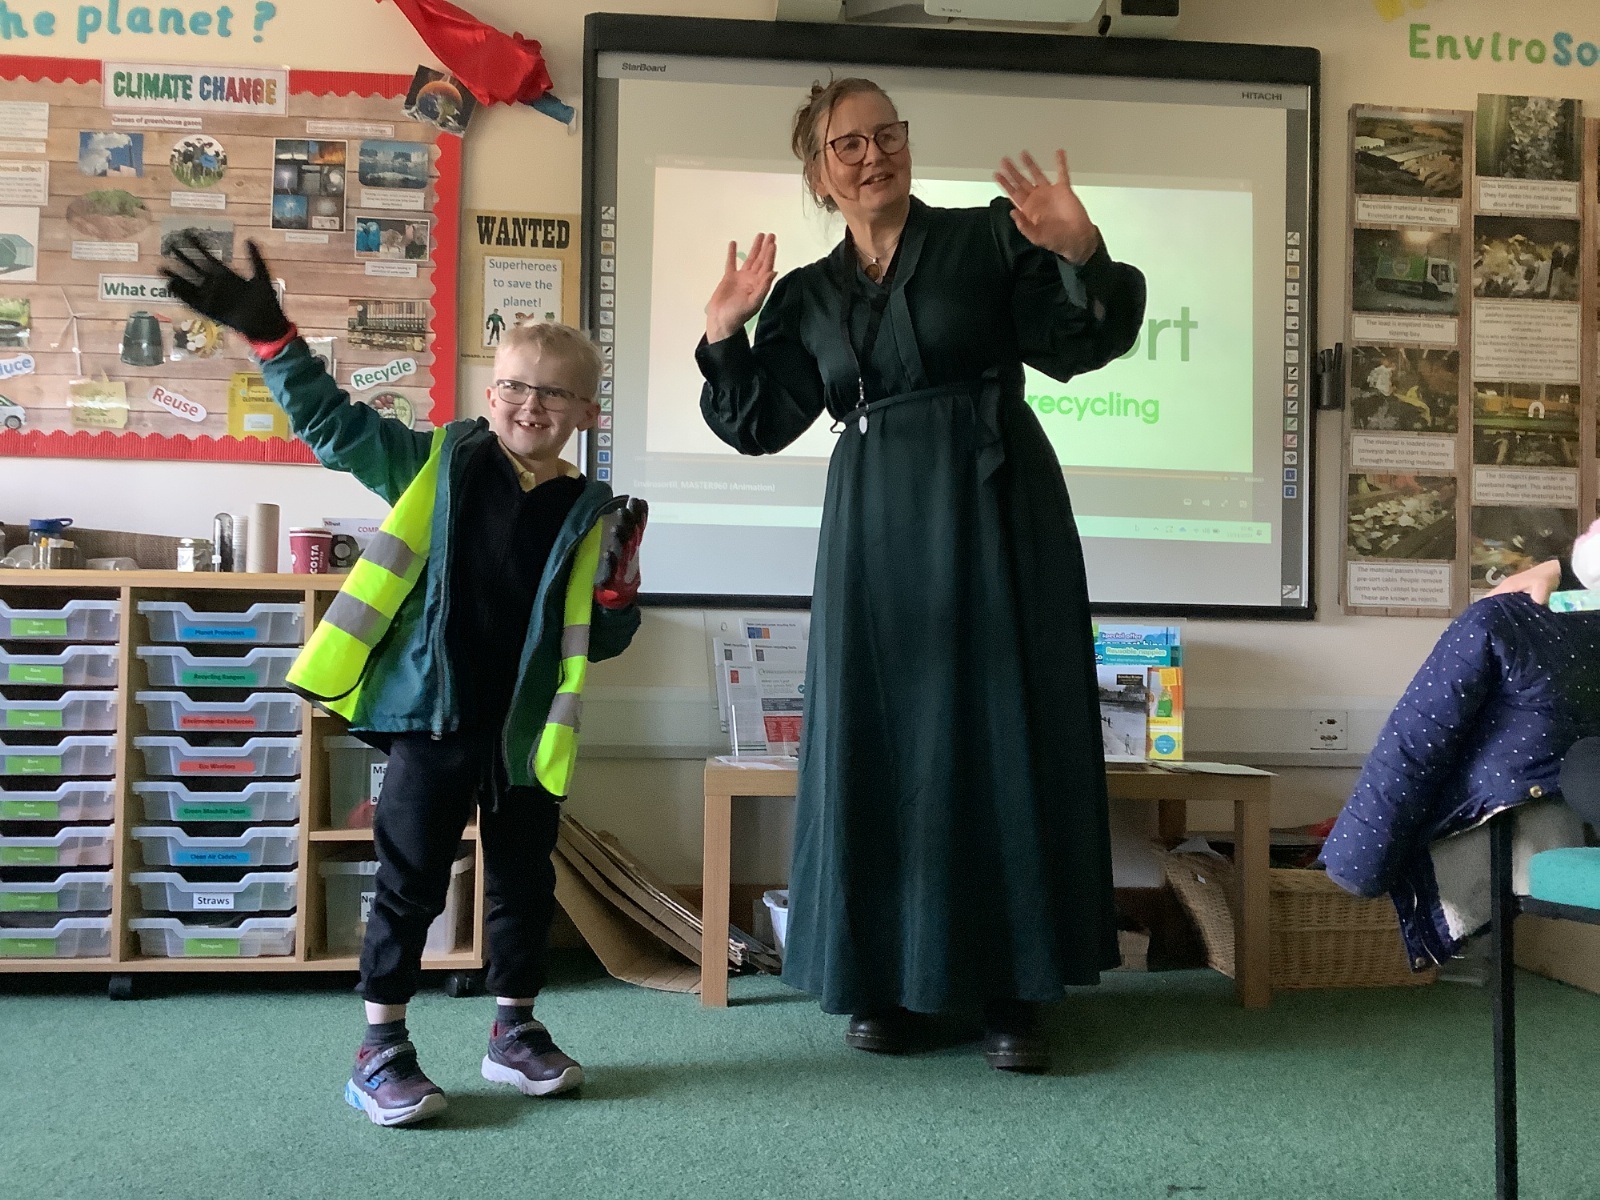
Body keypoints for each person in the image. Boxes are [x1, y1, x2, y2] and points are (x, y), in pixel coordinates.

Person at [696, 79, 1146, 1072]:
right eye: (848, 145)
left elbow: (1085, 342)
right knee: (881, 740)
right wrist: (724, 332)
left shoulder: (988, 238)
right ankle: (883, 981)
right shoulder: (807, 294)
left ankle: (1013, 993)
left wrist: (1080, 251)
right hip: (873, 530)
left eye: (886, 134)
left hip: (995, 507)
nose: (873, 155)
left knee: (1000, 733)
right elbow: (760, 422)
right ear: (819, 173)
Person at [161, 235, 648, 1127]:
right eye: (515, 386)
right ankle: (380, 1046)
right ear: (489, 393)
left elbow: (600, 638)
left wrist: (618, 599)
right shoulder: (438, 464)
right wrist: (273, 340)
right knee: (409, 882)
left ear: (586, 409)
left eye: (554, 393)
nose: (531, 405)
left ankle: (514, 1029)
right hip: (431, 716)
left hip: (524, 733)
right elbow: (335, 426)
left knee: (524, 884)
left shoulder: (591, 512)